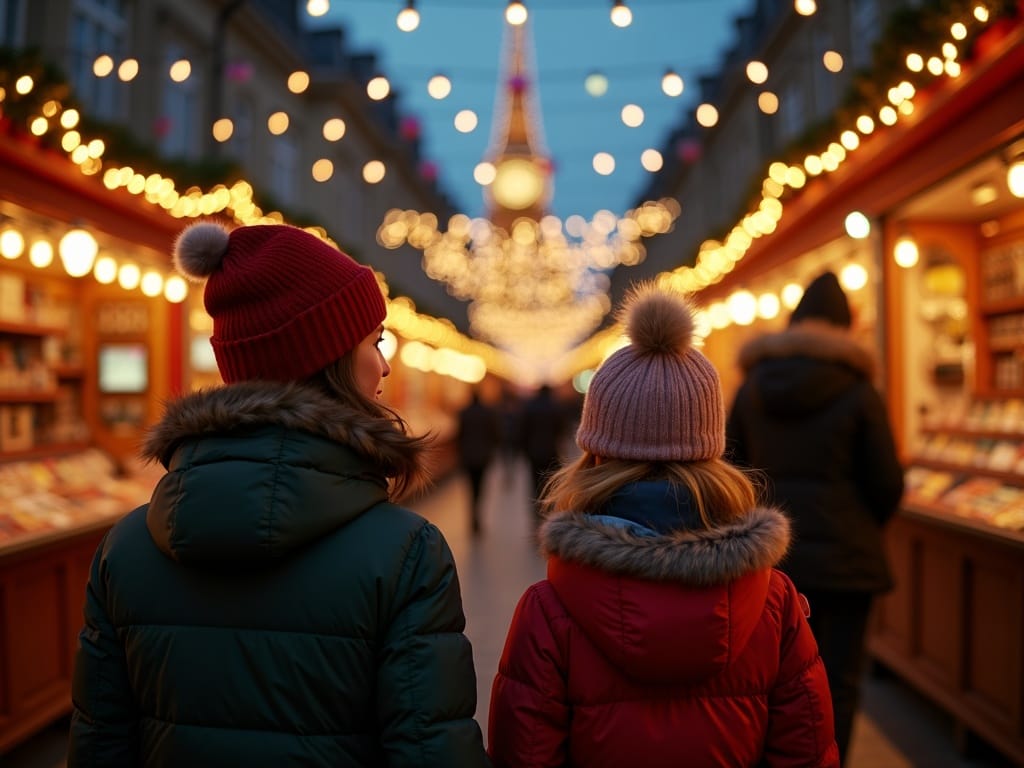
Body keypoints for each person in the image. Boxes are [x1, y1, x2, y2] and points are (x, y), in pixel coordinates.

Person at [68, 221, 490, 767]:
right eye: (375, 340)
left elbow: (100, 746)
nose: (385, 365)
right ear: (327, 356)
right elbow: (430, 750)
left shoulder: (124, 548)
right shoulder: (406, 553)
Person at [488, 282, 839, 768]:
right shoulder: (775, 603)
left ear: (595, 452)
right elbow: (806, 752)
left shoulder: (548, 611)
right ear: (711, 450)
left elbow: (524, 755)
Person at [725, 269, 905, 764]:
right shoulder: (859, 390)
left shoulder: (752, 386)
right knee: (839, 682)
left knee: (769, 679)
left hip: (769, 561)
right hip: (848, 563)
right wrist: (860, 524)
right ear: (845, 326)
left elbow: (731, 472)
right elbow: (887, 481)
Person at [518, 384, 567, 519]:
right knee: (549, 480)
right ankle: (547, 507)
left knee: (535, 480)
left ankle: (536, 507)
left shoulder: (530, 407)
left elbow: (523, 430)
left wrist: (524, 450)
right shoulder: (555, 406)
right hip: (551, 450)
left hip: (533, 451)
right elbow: (561, 429)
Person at [456, 387, 501, 534]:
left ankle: (473, 517)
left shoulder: (463, 413)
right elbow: (494, 434)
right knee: (481, 487)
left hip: (468, 456)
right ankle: (478, 516)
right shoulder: (487, 413)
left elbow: (459, 435)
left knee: (470, 488)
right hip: (483, 456)